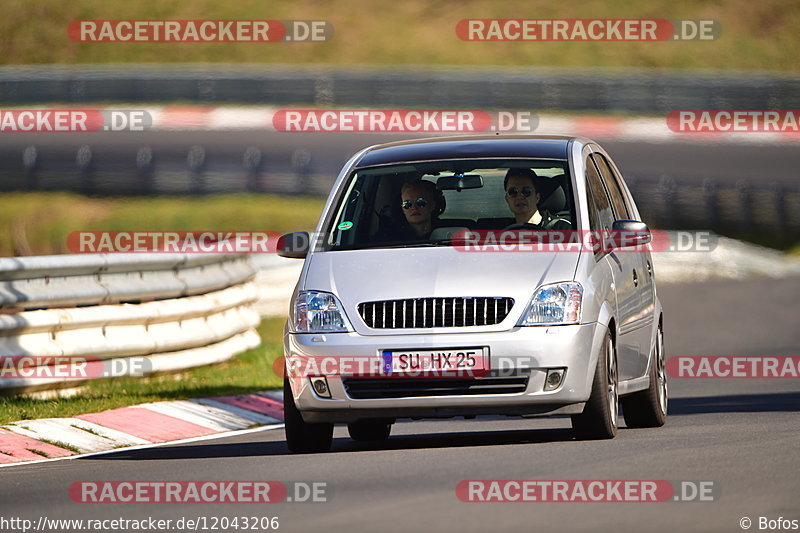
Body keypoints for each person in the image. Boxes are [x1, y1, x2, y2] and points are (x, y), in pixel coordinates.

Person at [503, 168, 570, 229]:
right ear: (507, 199)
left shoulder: (563, 228)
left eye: (526, 191)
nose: (519, 197)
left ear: (537, 197)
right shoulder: (498, 231)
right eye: (513, 192)